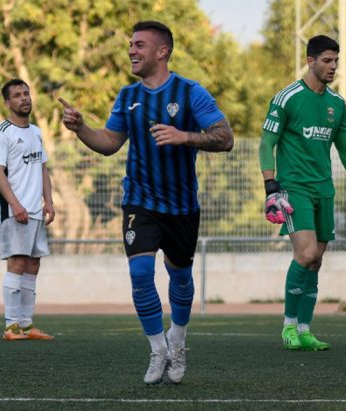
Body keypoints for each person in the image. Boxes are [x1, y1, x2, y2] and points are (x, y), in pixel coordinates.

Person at [59, 21, 234, 384]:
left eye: (139, 45)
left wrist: (184, 136)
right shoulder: (127, 96)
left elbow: (225, 137)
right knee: (140, 275)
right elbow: (109, 142)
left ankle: (178, 342)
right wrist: (81, 129)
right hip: (139, 201)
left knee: (181, 279)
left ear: (162, 51)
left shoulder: (190, 92)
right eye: (130, 44)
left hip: (182, 205)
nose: (132, 51)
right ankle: (157, 349)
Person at [259, 35, 346, 352]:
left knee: (316, 262)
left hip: (324, 189)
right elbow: (266, 143)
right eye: (327, 60)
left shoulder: (336, 104)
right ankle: (287, 327)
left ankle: (305, 328)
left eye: (336, 61)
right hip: (293, 188)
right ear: (310, 61)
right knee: (306, 254)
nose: (333, 66)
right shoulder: (287, 98)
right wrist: (270, 186)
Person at [0, 78, 56, 341]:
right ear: (7, 103)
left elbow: (42, 168)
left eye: (26, 93)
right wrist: (15, 204)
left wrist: (48, 200)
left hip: (36, 212)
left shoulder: (37, 132)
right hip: (14, 211)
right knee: (16, 262)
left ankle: (26, 325)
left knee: (33, 264)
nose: (24, 98)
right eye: (17, 95)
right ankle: (10, 326)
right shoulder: (1, 132)